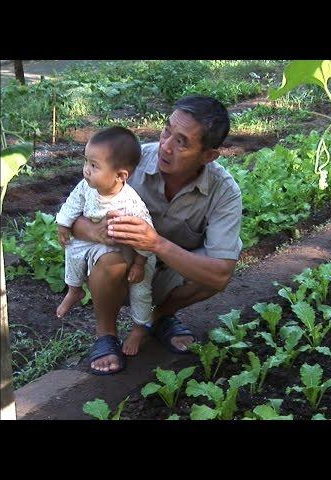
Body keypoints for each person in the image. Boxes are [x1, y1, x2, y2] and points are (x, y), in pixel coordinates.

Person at [71, 95, 242, 374]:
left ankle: (156, 317)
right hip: (121, 271)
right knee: (108, 256)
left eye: (181, 142)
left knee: (212, 273)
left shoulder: (223, 191)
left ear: (208, 156)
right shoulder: (130, 162)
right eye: (167, 131)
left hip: (167, 275)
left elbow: (221, 274)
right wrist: (96, 231)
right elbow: (70, 218)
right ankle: (106, 336)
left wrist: (155, 243)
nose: (166, 145)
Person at [55, 126, 157, 374]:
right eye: (86, 162)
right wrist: (63, 223)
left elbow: (146, 235)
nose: (86, 170)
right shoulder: (86, 186)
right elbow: (73, 202)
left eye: (94, 165)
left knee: (141, 292)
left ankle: (139, 328)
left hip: (131, 253)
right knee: (72, 249)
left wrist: (139, 264)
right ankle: (74, 289)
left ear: (120, 176)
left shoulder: (130, 204)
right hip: (95, 242)